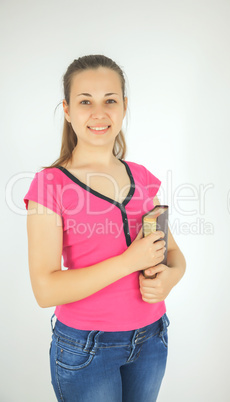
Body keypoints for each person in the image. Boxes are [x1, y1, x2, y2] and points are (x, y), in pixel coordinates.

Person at [24, 54, 186, 402]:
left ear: (124, 106)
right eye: (85, 102)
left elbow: (173, 254)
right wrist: (129, 261)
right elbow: (45, 290)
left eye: (110, 100)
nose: (99, 113)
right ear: (67, 110)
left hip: (152, 338)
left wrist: (170, 279)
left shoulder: (142, 177)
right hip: (87, 349)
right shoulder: (49, 185)